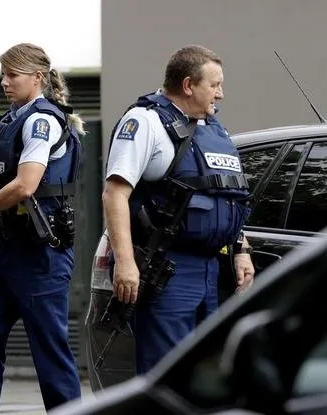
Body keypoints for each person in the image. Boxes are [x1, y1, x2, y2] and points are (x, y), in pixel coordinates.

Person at [102, 45, 255, 375]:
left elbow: (227, 194)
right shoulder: (146, 122)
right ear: (188, 85)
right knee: (167, 376)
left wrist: (241, 249)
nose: (221, 94)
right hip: (167, 270)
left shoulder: (213, 129)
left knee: (206, 376)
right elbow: (114, 194)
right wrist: (126, 264)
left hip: (212, 269)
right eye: (215, 85)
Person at [0, 43, 84, 414]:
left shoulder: (42, 121)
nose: (4, 82)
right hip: (8, 252)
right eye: (3, 75)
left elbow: (26, 184)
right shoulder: (9, 119)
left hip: (42, 255)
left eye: (12, 75)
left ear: (37, 78)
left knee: (50, 354)